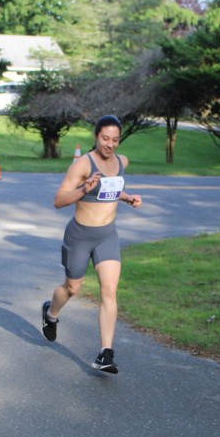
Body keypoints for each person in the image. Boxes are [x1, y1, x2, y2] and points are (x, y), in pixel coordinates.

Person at [41, 115, 143, 374]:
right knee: (72, 288)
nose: (110, 144)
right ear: (97, 136)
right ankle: (51, 314)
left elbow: (110, 190)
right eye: (105, 138)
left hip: (107, 236)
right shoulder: (82, 165)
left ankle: (105, 353)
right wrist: (84, 189)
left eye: (115, 140)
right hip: (79, 237)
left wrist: (128, 198)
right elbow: (59, 200)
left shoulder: (122, 162)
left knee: (109, 291)